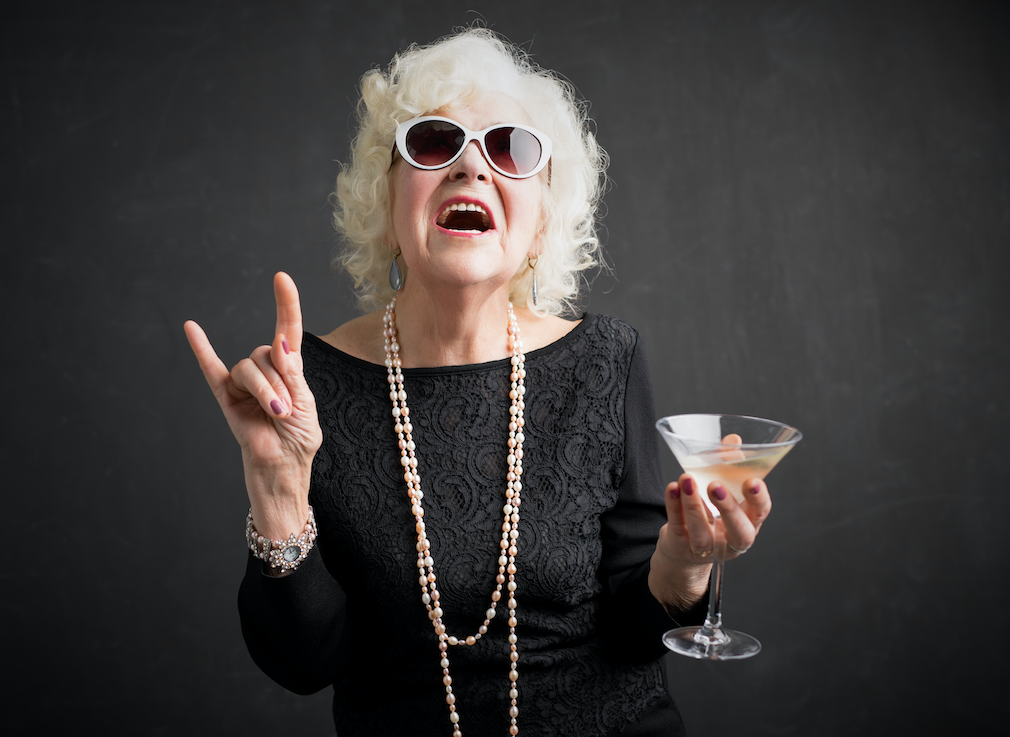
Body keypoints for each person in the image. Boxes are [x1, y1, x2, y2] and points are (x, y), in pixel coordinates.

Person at [184, 28, 772, 737]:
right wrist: (278, 495)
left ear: (542, 214)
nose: (471, 167)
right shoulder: (307, 388)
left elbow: (632, 632)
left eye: (509, 147)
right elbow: (304, 664)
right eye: (433, 143)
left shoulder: (606, 360)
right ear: (388, 197)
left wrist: (686, 560)